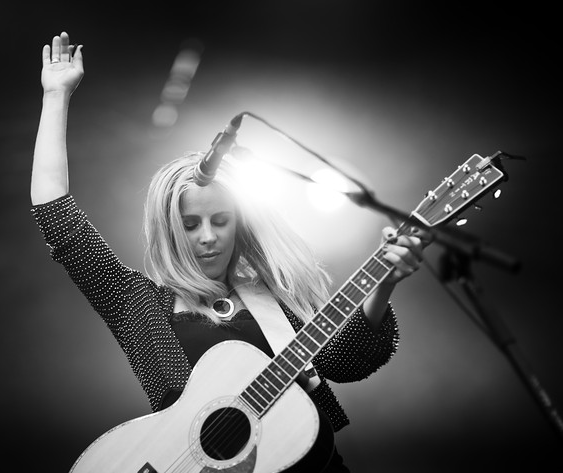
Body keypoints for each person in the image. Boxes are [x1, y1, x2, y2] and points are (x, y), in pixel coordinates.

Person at [31, 31, 427, 472]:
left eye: (220, 221)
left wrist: (385, 280)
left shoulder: (273, 296)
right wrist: (55, 97)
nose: (207, 237)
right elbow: (56, 214)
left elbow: (347, 361)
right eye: (190, 224)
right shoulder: (137, 305)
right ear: (169, 231)